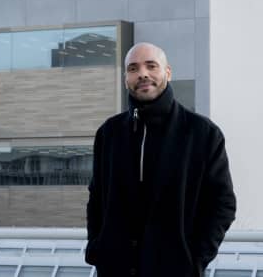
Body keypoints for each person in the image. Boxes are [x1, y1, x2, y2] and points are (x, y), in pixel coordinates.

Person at [85, 42, 236, 277]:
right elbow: (96, 199)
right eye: (133, 68)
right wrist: (97, 248)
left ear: (167, 72)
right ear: (126, 78)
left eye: (151, 66)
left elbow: (222, 203)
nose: (142, 73)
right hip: (115, 270)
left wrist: (194, 259)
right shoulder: (109, 133)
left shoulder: (202, 133)